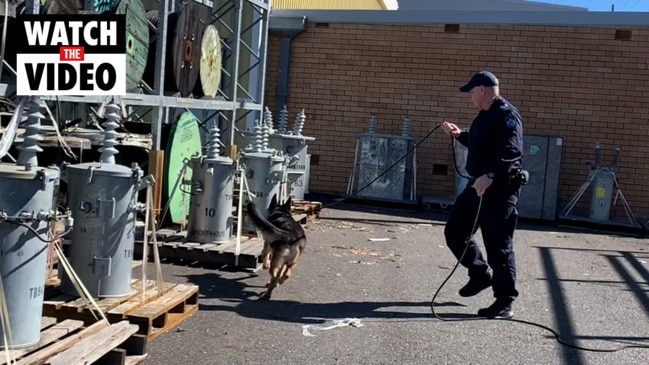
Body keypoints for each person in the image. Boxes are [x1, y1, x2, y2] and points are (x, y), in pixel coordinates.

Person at [441, 71, 525, 319]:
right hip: (476, 187)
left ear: (483, 90)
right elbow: (482, 142)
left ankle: (504, 301)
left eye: (471, 92)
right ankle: (479, 274)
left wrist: (490, 175)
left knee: (499, 247)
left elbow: (511, 152)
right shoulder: (485, 116)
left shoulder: (508, 116)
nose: (470, 97)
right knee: (455, 231)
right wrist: (460, 135)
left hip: (498, 191)